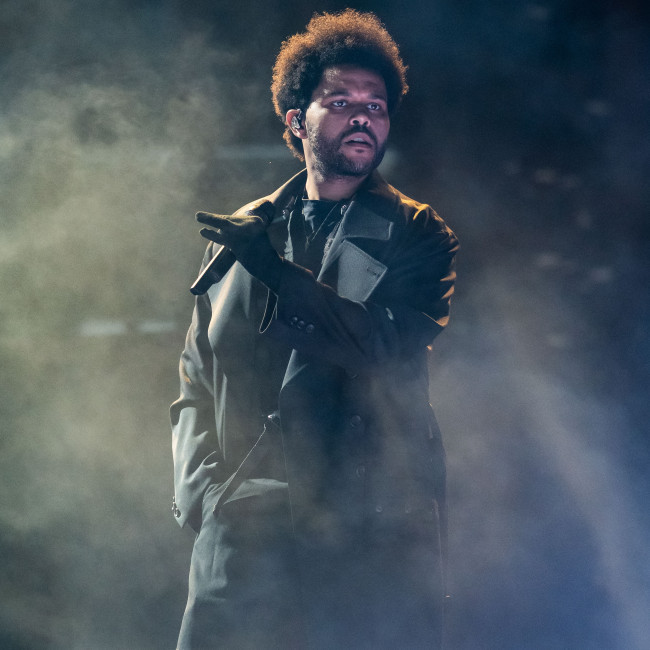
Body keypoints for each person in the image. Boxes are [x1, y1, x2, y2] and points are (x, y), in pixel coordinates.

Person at [171, 9, 459, 649]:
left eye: (376, 106)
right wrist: (204, 495)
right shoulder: (244, 231)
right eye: (342, 102)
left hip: (367, 529)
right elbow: (196, 376)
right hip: (244, 532)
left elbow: (381, 346)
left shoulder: (418, 232)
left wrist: (276, 272)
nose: (363, 117)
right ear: (296, 121)